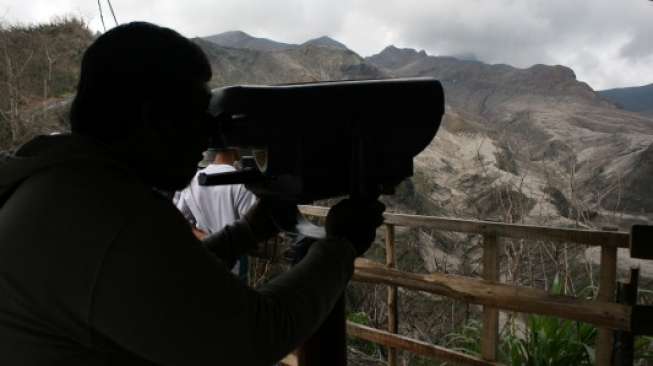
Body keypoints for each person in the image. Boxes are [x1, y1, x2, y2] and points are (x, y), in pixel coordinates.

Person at [0, 21, 384, 366]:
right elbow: (251, 340)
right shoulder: (108, 214)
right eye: (197, 114)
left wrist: (246, 232)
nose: (207, 135)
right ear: (153, 118)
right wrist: (341, 245)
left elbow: (165, 285)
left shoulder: (67, 189)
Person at [176, 147, 256, 277]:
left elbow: (179, 221)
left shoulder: (195, 179)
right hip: (233, 263)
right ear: (234, 147)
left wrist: (204, 237)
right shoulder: (241, 182)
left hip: (204, 254)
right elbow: (250, 231)